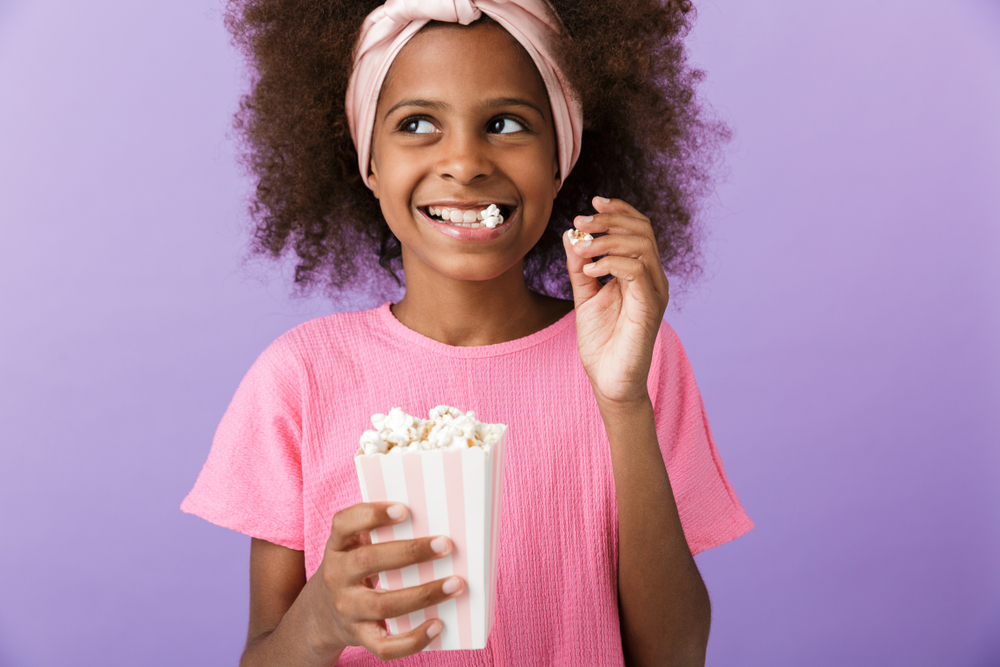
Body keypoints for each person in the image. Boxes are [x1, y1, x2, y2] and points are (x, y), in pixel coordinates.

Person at [182, 0, 753, 664]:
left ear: (562, 156)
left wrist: (623, 401)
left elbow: (675, 653)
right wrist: (320, 619)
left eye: (506, 123)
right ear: (368, 161)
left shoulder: (639, 357)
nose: (465, 161)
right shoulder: (300, 379)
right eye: (417, 123)